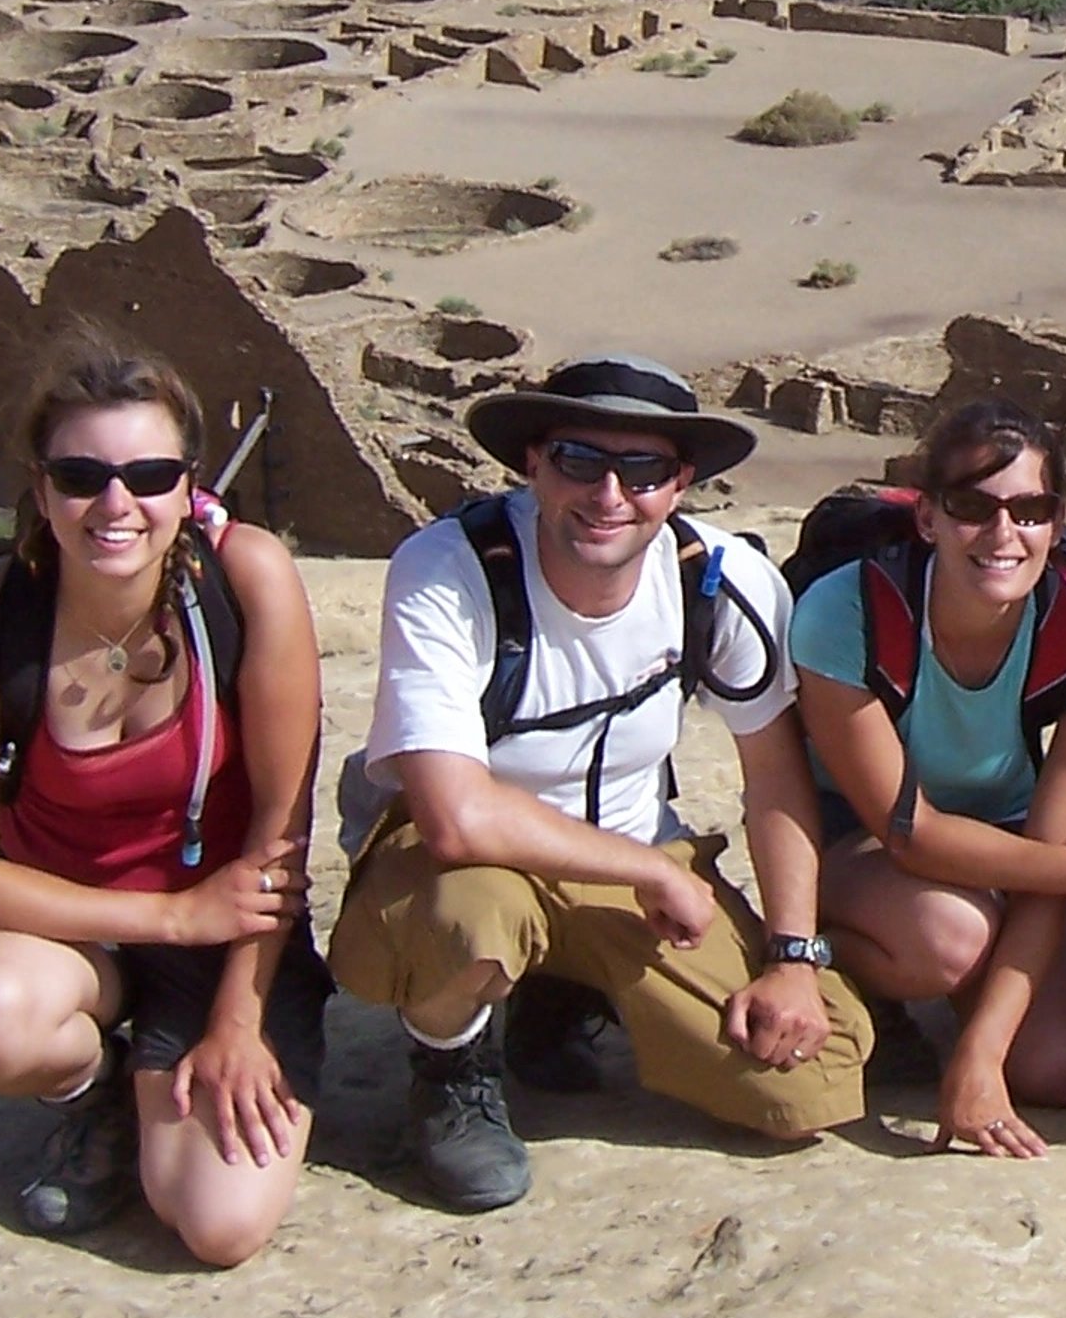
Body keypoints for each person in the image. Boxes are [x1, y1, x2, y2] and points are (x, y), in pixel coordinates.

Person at [328, 357, 869, 1211]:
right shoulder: (451, 570)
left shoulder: (719, 581)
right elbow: (455, 818)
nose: (609, 494)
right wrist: (650, 870)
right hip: (471, 862)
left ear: (681, 483)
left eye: (644, 469)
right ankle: (453, 1069)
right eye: (580, 460)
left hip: (628, 853)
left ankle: (562, 989)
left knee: (806, 1077)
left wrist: (792, 956)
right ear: (533, 463)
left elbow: (773, 777)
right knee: (469, 917)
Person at [0, 336, 328, 1264]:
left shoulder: (245, 580)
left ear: (188, 485)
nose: (115, 504)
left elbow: (280, 830)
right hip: (71, 932)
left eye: (148, 475)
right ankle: (92, 1091)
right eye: (82, 475)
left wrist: (238, 1021)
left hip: (226, 938)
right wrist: (169, 916)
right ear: (41, 484)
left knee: (215, 1224)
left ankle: (166, 1076)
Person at [798, 400, 1066, 1157]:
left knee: (1056, 1069)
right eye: (973, 508)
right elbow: (913, 833)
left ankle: (958, 1011)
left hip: (1006, 853)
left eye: (1029, 511)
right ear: (928, 517)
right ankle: (831, 972)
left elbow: (1045, 861)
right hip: (860, 844)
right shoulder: (847, 613)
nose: (1003, 534)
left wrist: (981, 1058)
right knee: (949, 936)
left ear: (1056, 524)